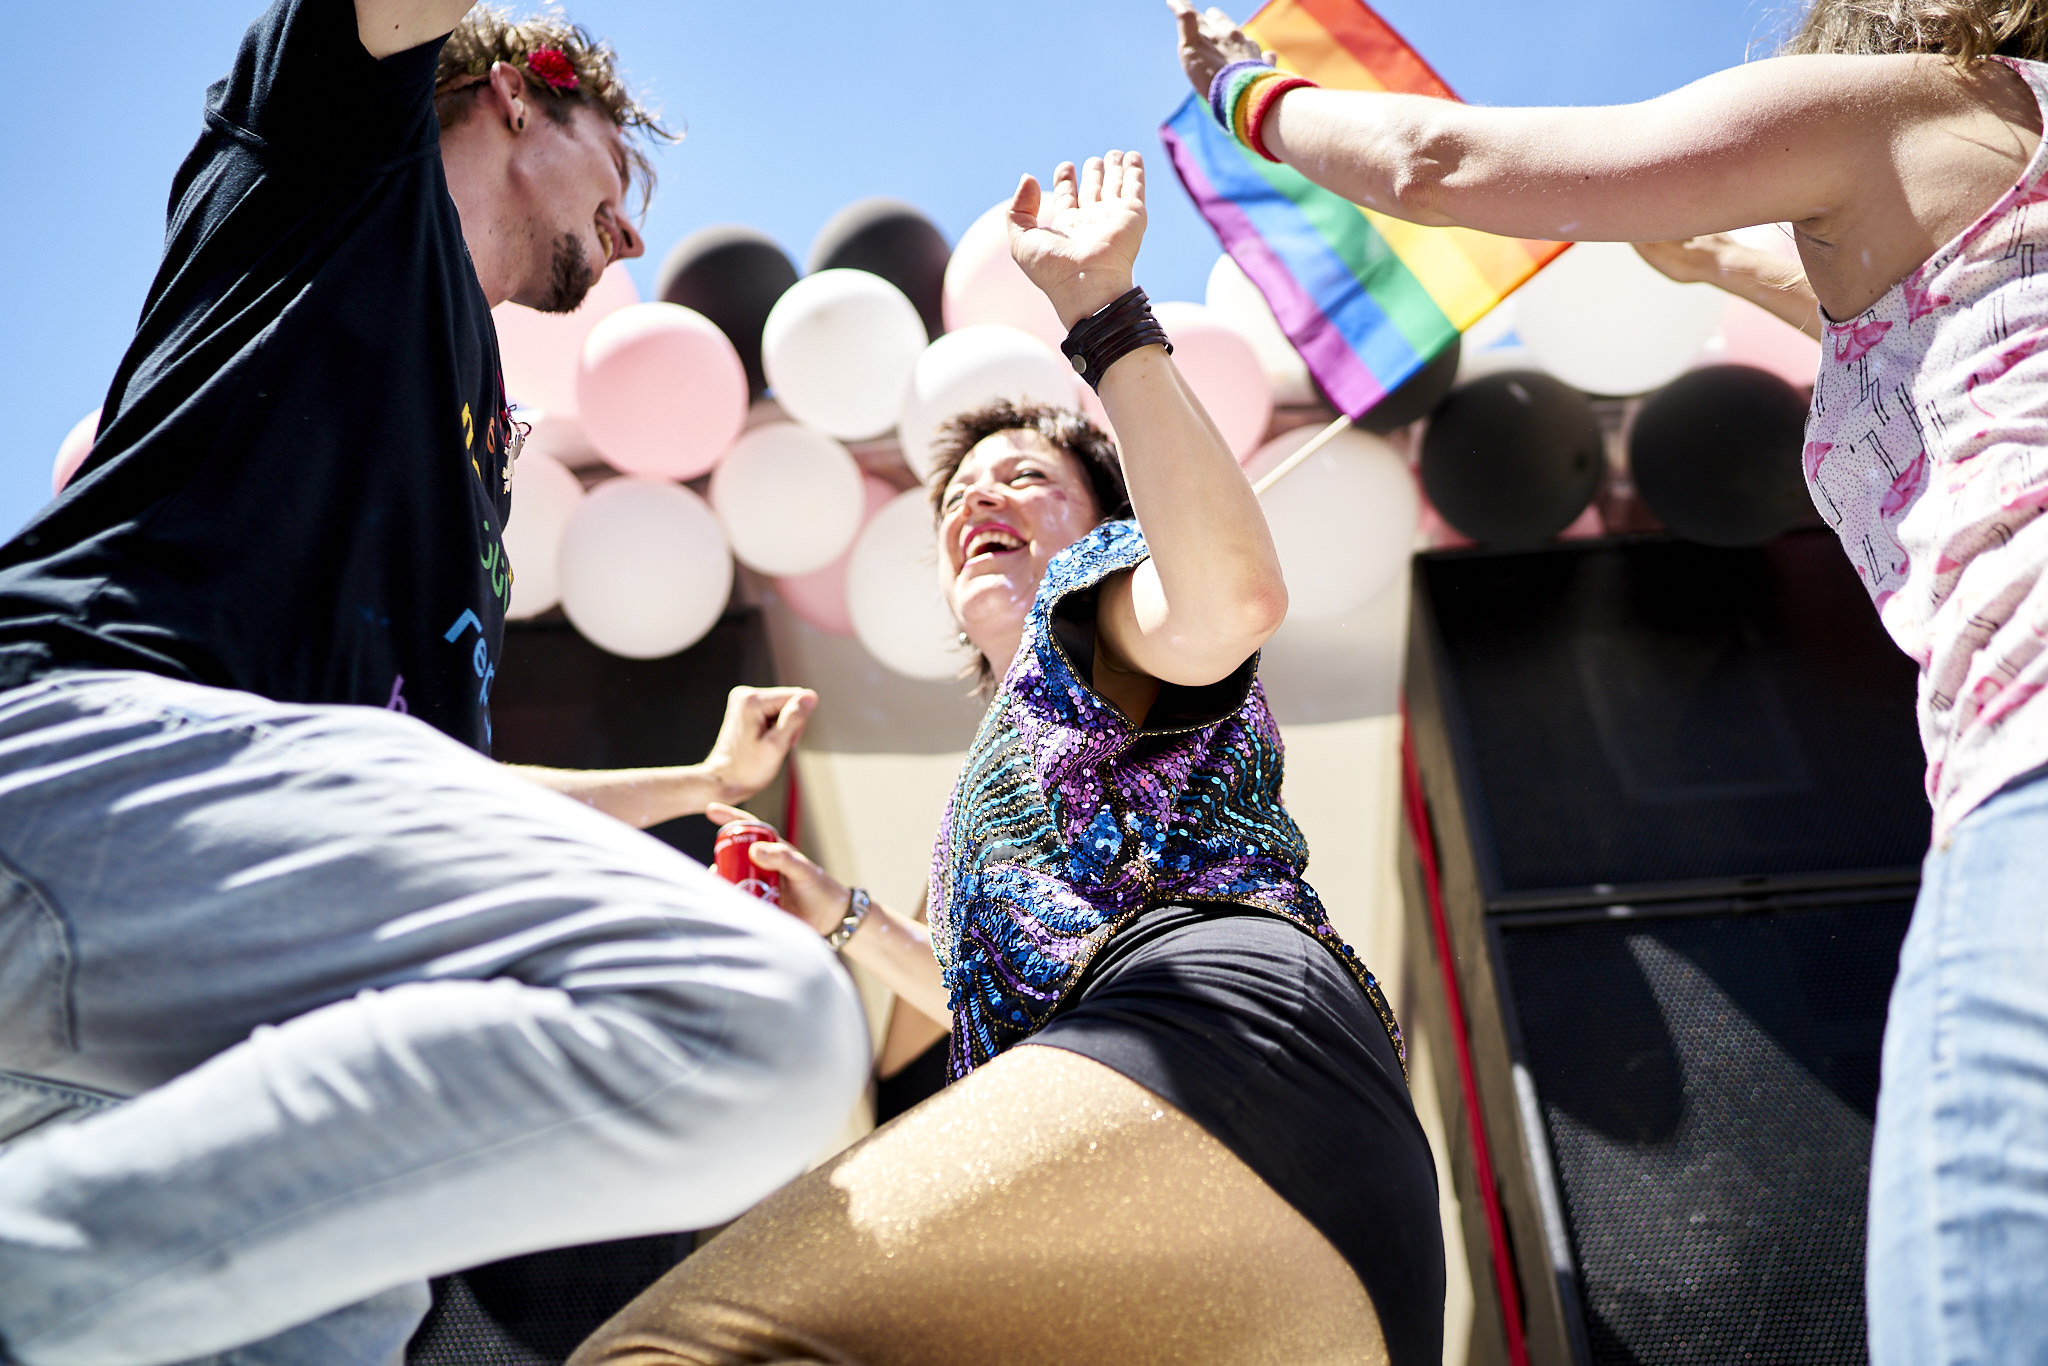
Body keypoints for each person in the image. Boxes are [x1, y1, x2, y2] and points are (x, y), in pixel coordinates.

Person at [1168, 0, 2048, 1359]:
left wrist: (1247, 98)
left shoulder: (1924, 107)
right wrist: (1706, 254)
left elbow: (1436, 166)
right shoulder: (1980, 187)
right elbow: (1881, 294)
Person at [0, 2, 871, 1363]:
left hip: (167, 1006)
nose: (631, 231)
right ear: (523, 94)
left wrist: (697, 787)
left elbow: (451, 804)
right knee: (751, 1012)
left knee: (353, 1310)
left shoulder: (473, 436)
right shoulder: (338, 155)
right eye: (622, 177)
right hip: (83, 757)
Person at [568, 148, 1444, 1366]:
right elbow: (1013, 999)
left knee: (673, 1346)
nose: (980, 499)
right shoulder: (1017, 744)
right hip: (1315, 1231)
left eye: (1024, 477)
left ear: (1104, 528)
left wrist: (1101, 315)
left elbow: (1229, 593)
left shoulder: (1098, 612)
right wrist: (841, 913)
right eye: (955, 498)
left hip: (1224, 1059)